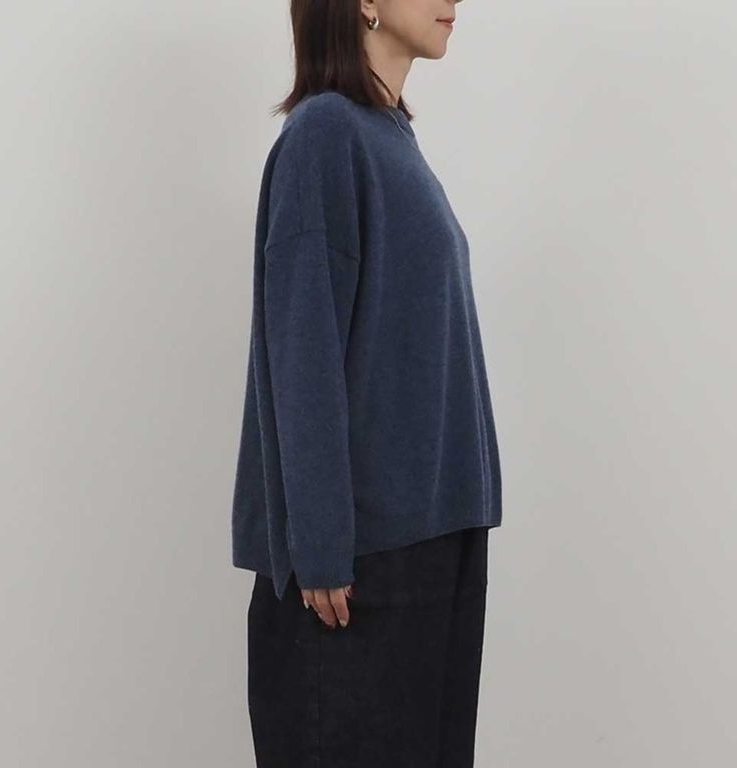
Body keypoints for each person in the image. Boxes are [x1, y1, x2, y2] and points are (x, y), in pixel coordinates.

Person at [231, 1, 502, 766]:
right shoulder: (326, 133)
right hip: (360, 564)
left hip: (432, 537)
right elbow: (303, 342)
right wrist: (319, 544)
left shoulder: (388, 138)